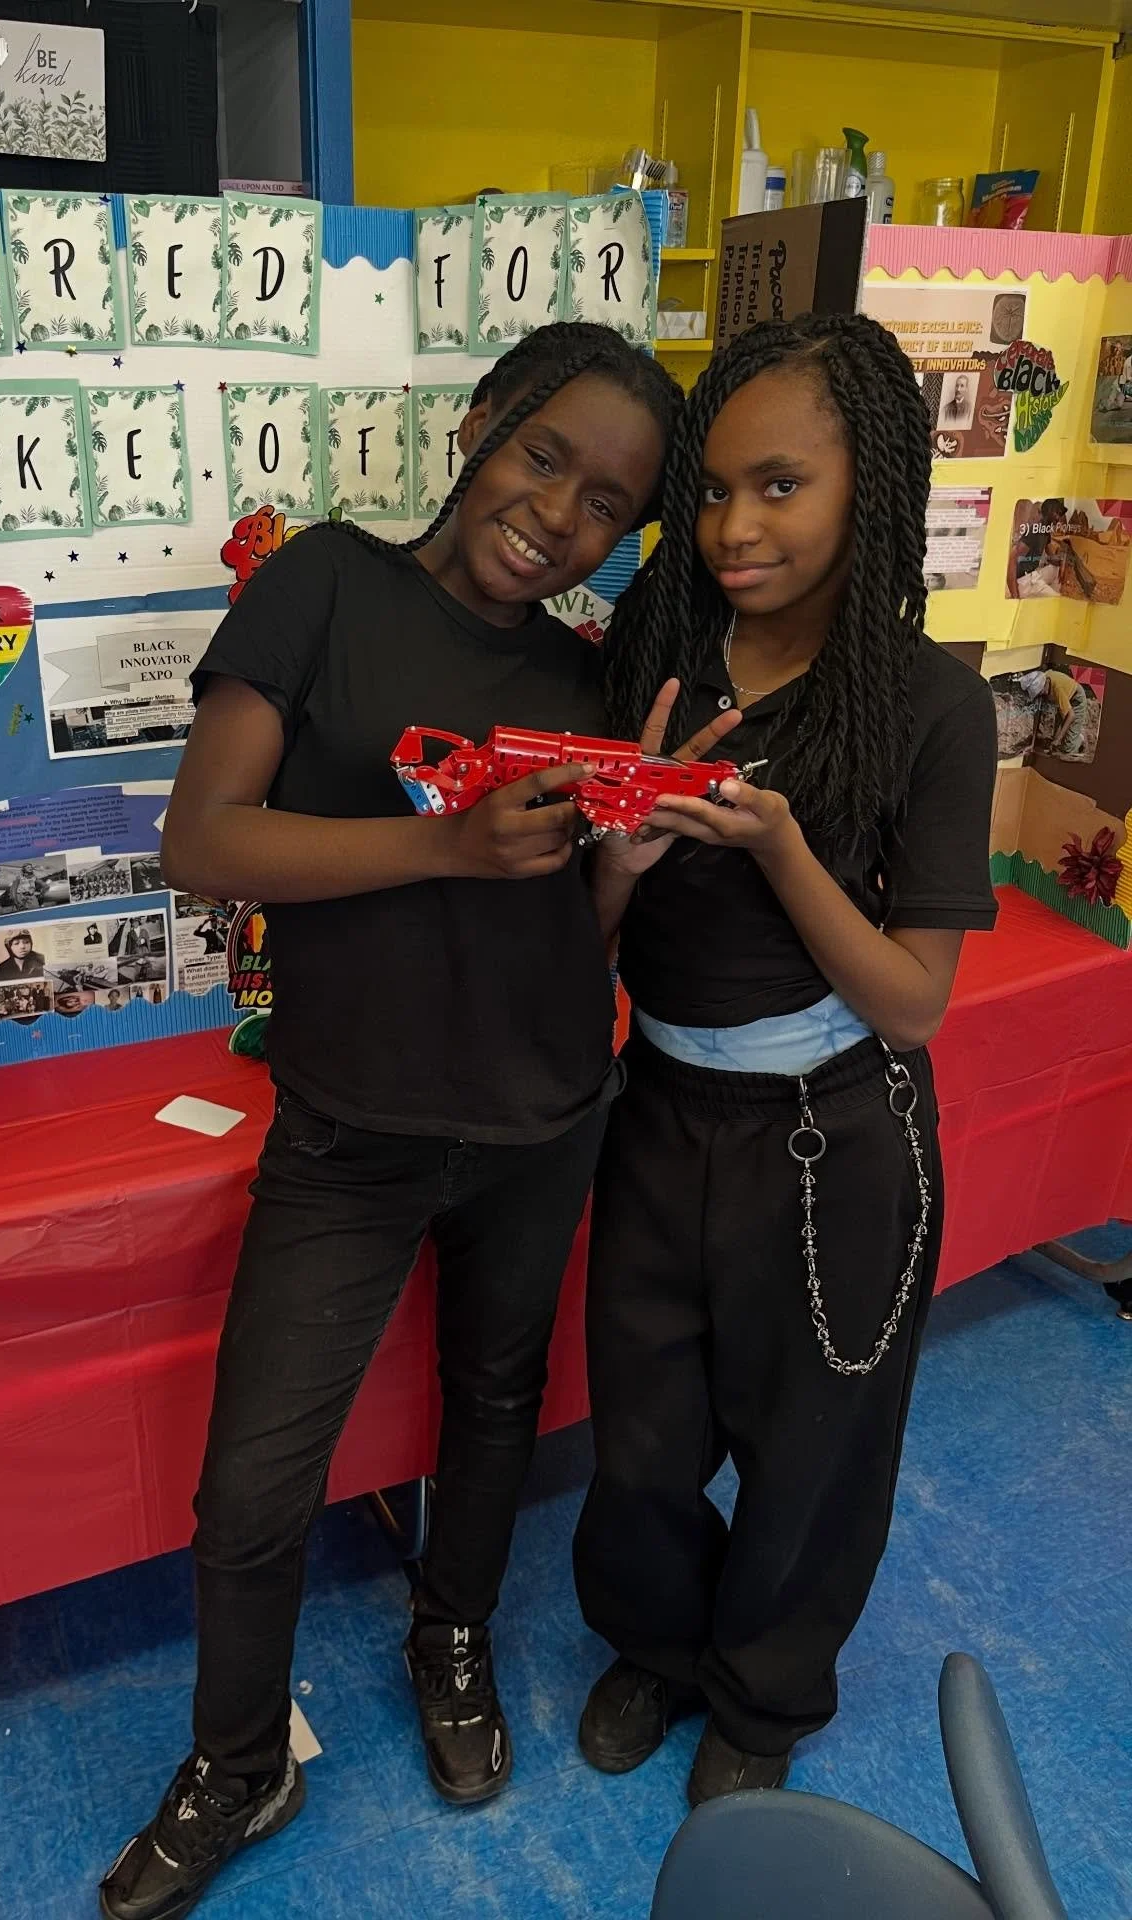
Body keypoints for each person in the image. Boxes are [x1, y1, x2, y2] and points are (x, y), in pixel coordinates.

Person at [99, 323, 736, 1920]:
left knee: (496, 1408)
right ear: (477, 427)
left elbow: (567, 934)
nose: (561, 516)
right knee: (255, 1484)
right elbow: (205, 841)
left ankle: (452, 1633)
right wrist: (443, 854)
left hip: (541, 1116)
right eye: (544, 458)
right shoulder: (321, 582)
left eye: (609, 504)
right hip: (350, 1130)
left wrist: (618, 866)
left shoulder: (589, 678)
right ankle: (240, 1762)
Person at [577, 312, 998, 1807]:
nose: (734, 528)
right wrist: (620, 860)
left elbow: (915, 1004)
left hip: (838, 1132)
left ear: (864, 489)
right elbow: (589, 921)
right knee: (640, 1437)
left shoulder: (927, 705)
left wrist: (781, 846)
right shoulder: (657, 654)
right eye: (713, 489)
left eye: (780, 488)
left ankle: (760, 1702)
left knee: (814, 1451)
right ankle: (658, 1644)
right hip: (662, 1107)